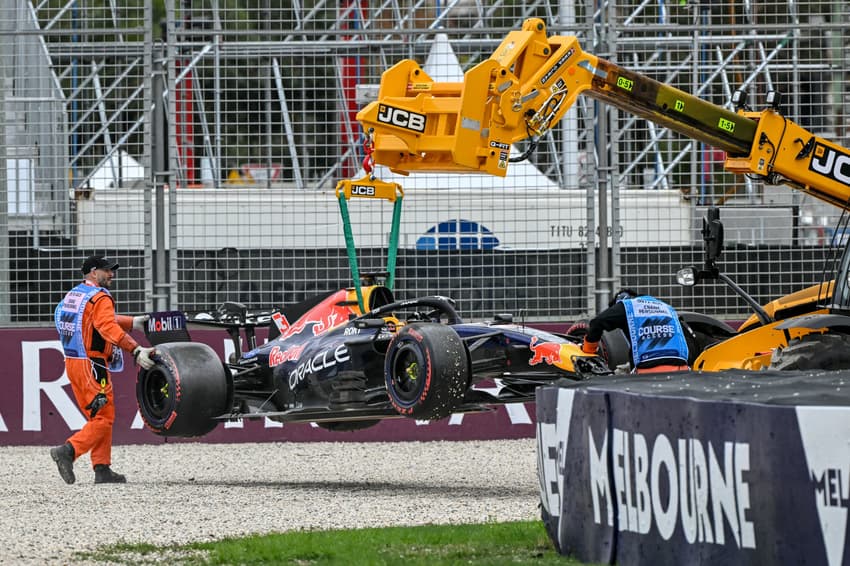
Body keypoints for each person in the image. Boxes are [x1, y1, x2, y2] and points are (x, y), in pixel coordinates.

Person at [50, 255, 157, 484]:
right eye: (107, 271)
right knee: (104, 419)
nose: (112, 274)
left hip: (73, 362)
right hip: (93, 365)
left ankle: (102, 468)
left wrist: (131, 322)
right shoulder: (100, 297)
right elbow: (105, 325)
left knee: (98, 415)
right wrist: (136, 350)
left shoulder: (76, 294)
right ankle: (68, 451)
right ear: (93, 271)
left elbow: (91, 320)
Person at [581, 288, 689, 374]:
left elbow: (597, 322)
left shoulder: (627, 306)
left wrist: (589, 350)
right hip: (681, 370)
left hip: (649, 373)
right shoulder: (666, 307)